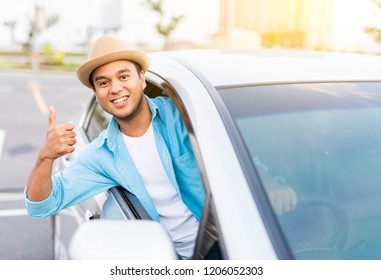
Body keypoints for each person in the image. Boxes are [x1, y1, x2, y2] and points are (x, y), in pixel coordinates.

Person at [25, 35, 296, 260]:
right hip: (167, 259)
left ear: (142, 79)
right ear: (96, 93)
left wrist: (271, 185)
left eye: (123, 76)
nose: (115, 88)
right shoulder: (101, 155)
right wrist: (45, 157)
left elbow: (233, 152)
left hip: (230, 243)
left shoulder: (183, 114)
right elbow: (42, 205)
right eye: (103, 82)